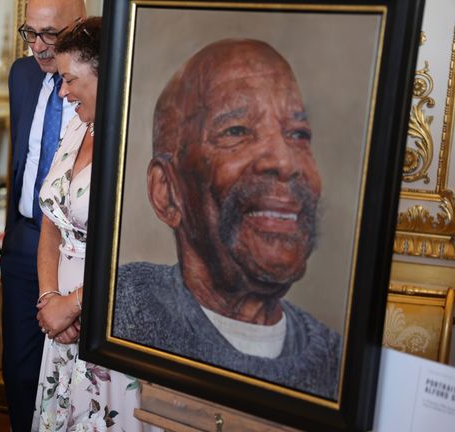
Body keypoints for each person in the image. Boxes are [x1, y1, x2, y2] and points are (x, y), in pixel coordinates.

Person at [112, 39, 342, 399]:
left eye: (298, 134)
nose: (284, 162)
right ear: (167, 192)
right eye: (236, 131)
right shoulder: (122, 308)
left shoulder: (334, 365)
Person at [32, 18, 147, 431]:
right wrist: (50, 301)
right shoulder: (77, 126)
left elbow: (144, 251)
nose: (63, 91)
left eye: (70, 79)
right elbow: (51, 222)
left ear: (107, 72)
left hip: (112, 320)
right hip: (61, 322)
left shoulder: (140, 142)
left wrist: (75, 304)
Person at [0, 0, 86, 429]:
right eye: (29, 33)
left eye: (50, 34)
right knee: (18, 369)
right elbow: (24, 153)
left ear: (80, 26)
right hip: (25, 239)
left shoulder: (101, 85)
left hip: (78, 250)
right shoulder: (22, 74)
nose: (38, 46)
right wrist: (10, 225)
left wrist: (66, 303)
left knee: (71, 372)